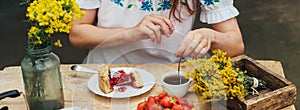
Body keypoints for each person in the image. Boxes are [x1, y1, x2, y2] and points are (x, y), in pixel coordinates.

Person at [69, 0, 244, 64]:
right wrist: (131, 33)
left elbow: (235, 45)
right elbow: (77, 35)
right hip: (109, 71)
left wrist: (210, 36)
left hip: (174, 78)